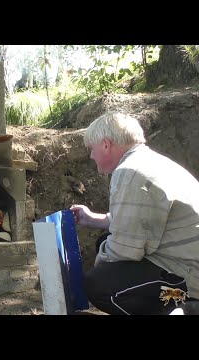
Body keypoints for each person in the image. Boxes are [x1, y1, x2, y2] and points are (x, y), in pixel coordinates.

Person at [70, 111, 199, 315]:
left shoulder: (130, 173)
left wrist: (100, 259)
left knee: (99, 285)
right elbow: (143, 220)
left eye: (91, 149)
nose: (91, 155)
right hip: (188, 263)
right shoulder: (150, 162)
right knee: (104, 245)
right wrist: (96, 220)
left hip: (190, 279)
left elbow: (125, 251)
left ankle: (184, 306)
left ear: (106, 144)